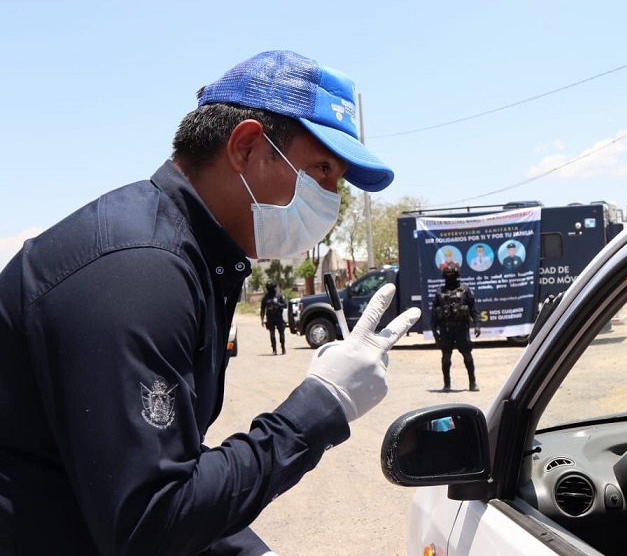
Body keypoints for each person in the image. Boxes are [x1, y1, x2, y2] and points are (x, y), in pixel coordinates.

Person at [0, 50, 420, 555]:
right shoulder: (140, 271)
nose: (332, 197)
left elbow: (168, 466)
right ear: (245, 146)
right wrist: (318, 407)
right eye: (322, 169)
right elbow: (150, 522)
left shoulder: (197, 256)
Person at [431, 263, 481, 392]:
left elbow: (473, 309)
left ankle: (472, 383)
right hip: (445, 329)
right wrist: (435, 332)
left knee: (467, 356)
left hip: (461, 329)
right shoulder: (439, 292)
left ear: (457, 275)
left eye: (452, 275)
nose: (450, 277)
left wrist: (477, 325)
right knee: (446, 358)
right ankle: (447, 384)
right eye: (447, 275)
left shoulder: (465, 290)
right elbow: (434, 314)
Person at [260, 281, 287, 355]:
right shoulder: (266, 297)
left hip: (278, 317)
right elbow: (262, 309)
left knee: (281, 333)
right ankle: (274, 350)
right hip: (270, 317)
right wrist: (262, 319)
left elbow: (285, 305)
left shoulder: (279, 295)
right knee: (272, 334)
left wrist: (278, 304)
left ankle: (283, 348)